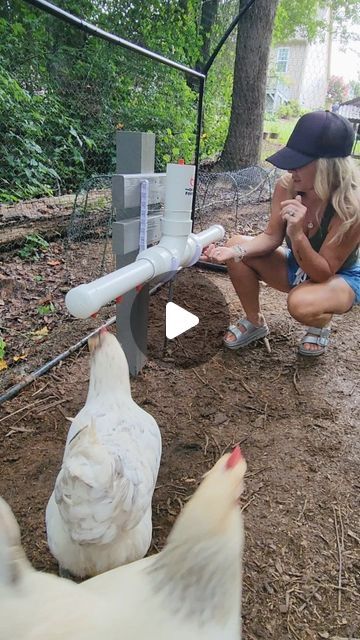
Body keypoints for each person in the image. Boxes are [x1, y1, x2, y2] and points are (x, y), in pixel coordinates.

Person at [202, 110, 360, 356]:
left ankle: (319, 325)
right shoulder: (287, 186)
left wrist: (297, 234)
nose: (290, 169)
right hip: (298, 264)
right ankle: (255, 322)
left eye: (299, 163)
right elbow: (271, 237)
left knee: (300, 303)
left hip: (339, 278)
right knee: (237, 247)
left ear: (327, 166)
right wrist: (233, 251)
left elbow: (322, 271)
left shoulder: (350, 207)